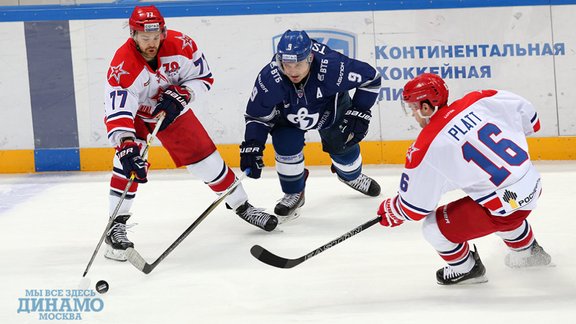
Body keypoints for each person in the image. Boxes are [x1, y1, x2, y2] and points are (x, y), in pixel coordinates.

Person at [103, 5, 277, 261]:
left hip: (171, 113)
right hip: (136, 117)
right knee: (128, 161)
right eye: (144, 37)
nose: (151, 43)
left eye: (155, 37)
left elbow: (203, 78)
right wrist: (126, 143)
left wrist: (184, 93)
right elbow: (118, 109)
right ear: (133, 35)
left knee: (208, 162)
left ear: (162, 32)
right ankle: (115, 225)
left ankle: (242, 205)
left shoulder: (181, 45)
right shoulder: (124, 65)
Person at [376, 73, 551, 285]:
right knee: (498, 201)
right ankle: (528, 252)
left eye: (413, 108)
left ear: (426, 107)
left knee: (433, 227)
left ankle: (466, 269)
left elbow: (415, 208)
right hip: (532, 185)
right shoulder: (479, 100)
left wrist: (393, 209)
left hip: (505, 208)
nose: (413, 114)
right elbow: (530, 119)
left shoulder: (428, 145)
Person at [240, 30, 382, 219]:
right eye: (286, 64)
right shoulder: (270, 77)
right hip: (289, 116)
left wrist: (361, 110)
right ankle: (294, 192)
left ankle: (350, 176)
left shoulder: (333, 66)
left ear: (310, 58)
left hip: (331, 108)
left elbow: (371, 78)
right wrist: (253, 144)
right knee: (285, 144)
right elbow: (256, 116)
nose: (291, 71)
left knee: (345, 149)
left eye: (297, 64)